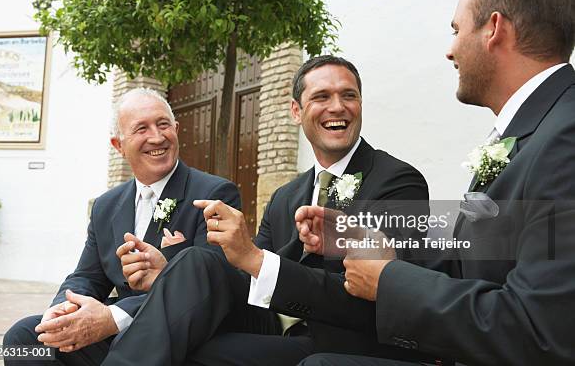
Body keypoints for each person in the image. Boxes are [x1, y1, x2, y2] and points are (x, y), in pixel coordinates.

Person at [297, 0, 575, 366]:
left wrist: (390, 282)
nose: (450, 50)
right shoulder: (535, 129)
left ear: (494, 29)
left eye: (456, 30)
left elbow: (542, 332)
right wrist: (371, 243)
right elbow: (476, 257)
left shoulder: (564, 139)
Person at [102, 55, 430, 366]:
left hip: (345, 339)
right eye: (321, 96)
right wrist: (172, 275)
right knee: (196, 261)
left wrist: (255, 258)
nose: (337, 106)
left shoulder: (398, 181)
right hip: (274, 324)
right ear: (296, 111)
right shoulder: (286, 196)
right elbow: (248, 279)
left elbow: (385, 294)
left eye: (349, 95)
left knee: (199, 353)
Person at [2, 88, 240, 365]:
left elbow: (210, 285)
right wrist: (63, 309)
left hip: (183, 332)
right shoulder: (106, 205)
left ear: (176, 129)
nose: (157, 136)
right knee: (25, 339)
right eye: (142, 128)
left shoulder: (214, 193)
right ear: (118, 145)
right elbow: (88, 277)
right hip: (119, 330)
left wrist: (113, 318)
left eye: (163, 124)